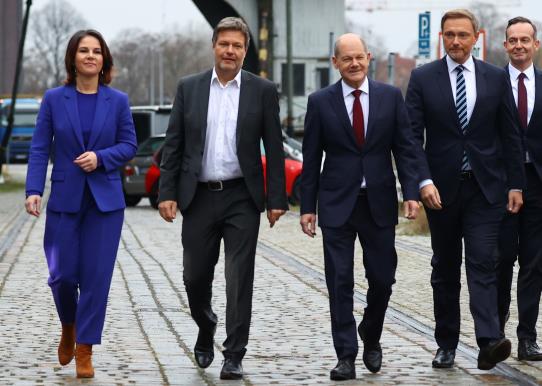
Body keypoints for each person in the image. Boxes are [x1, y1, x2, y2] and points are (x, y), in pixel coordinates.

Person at [157, 17, 287, 380]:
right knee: (194, 277)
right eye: (224, 44)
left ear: (246, 51)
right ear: (214, 46)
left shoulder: (262, 91)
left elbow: (275, 149)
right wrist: (167, 192)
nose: (230, 51)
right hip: (198, 197)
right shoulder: (190, 88)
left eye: (238, 46)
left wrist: (276, 198)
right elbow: (174, 144)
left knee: (239, 276)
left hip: (242, 197)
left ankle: (234, 354)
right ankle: (205, 322)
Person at [405, 9, 525, 370]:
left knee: (483, 262)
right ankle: (446, 344)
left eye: (462, 35)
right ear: (442, 37)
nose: (455, 41)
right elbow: (411, 137)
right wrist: (421, 182)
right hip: (440, 192)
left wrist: (516, 183)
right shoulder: (423, 78)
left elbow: (510, 134)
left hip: (485, 189)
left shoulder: (494, 78)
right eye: (449, 35)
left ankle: (489, 340)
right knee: (444, 268)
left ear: (477, 37)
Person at [300, 33, 424, 380]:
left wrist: (411, 192)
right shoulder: (320, 102)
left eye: (359, 57)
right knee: (339, 281)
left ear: (368, 58)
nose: (354, 64)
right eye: (346, 58)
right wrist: (307, 206)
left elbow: (406, 148)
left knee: (383, 279)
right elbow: (310, 159)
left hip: (379, 202)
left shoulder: (389, 97)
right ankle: (346, 355)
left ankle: (371, 333)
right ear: (335, 63)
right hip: (337, 203)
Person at [25, 30, 137, 378]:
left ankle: (85, 347)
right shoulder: (55, 99)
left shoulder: (117, 101)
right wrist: (33, 189)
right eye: (84, 50)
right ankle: (69, 326)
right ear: (73, 58)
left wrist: (101, 158)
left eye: (97, 51)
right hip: (64, 198)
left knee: (96, 277)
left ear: (105, 60)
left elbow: (129, 144)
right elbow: (40, 146)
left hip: (105, 204)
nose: (91, 56)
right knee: (61, 275)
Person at [497, 16, 542, 361]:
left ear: (536, 45)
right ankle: (495, 332)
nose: (519, 45)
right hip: (499, 185)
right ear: (505, 45)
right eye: (513, 40)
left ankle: (527, 337)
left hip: (538, 184)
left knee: (534, 263)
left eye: (525, 40)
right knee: (500, 260)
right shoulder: (491, 84)